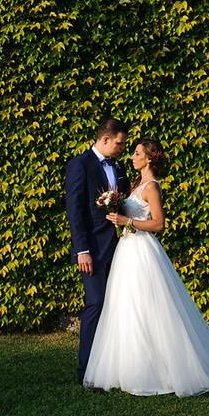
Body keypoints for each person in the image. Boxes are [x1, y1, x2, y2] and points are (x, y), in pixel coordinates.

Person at [83, 140, 209, 396]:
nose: (132, 157)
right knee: (128, 306)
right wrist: (119, 219)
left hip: (143, 252)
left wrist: (127, 220)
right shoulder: (135, 184)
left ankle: (162, 368)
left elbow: (159, 224)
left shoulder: (151, 187)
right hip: (127, 250)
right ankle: (131, 365)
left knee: (150, 306)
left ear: (149, 159)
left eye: (137, 153)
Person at [65, 117, 130, 384]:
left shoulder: (118, 165)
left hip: (119, 247)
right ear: (105, 139)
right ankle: (87, 371)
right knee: (96, 304)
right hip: (91, 250)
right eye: (119, 143)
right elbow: (75, 210)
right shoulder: (80, 165)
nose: (122, 148)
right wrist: (82, 250)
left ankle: (114, 366)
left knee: (117, 306)